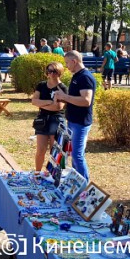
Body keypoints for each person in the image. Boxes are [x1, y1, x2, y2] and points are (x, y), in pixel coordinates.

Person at [53, 51, 96, 181]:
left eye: (67, 63)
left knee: (78, 155)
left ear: (74, 61)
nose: (66, 66)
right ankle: (75, 183)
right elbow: (75, 98)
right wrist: (62, 98)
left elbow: (86, 101)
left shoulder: (85, 77)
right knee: (73, 155)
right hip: (73, 120)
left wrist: (65, 97)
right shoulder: (77, 76)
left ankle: (84, 186)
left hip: (81, 122)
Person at [31, 62, 67, 171]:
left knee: (55, 151)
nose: (51, 73)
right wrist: (49, 102)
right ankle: (37, 173)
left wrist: (42, 103)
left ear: (59, 72)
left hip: (56, 120)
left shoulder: (62, 88)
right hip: (42, 119)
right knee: (40, 150)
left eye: (54, 71)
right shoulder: (41, 85)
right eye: (49, 71)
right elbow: (34, 101)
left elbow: (58, 107)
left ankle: (52, 175)